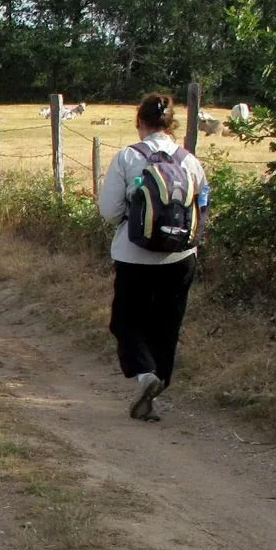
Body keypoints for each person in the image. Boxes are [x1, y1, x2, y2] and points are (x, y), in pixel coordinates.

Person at [97, 92, 208, 422]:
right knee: (166, 326)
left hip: (134, 256)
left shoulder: (127, 157)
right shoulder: (190, 161)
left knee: (126, 322)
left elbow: (109, 211)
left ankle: (145, 377)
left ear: (139, 122)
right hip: (181, 257)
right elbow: (201, 207)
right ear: (171, 123)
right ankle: (156, 387)